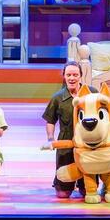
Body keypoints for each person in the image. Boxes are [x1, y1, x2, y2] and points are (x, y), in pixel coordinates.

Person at [42, 61, 97, 198]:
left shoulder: (92, 93)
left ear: (80, 76)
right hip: (66, 142)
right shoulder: (57, 98)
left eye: (75, 75)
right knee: (63, 194)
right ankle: (65, 184)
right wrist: (51, 139)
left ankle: (83, 184)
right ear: (64, 76)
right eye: (68, 75)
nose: (72, 78)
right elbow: (50, 120)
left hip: (88, 142)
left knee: (88, 191)